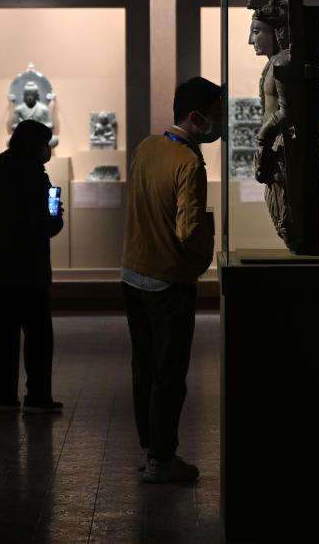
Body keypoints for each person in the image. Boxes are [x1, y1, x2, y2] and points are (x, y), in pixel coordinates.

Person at [121, 76, 220, 483]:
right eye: (215, 116)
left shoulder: (147, 147)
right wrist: (206, 251)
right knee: (169, 374)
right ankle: (162, 459)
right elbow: (188, 229)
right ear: (196, 117)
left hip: (133, 273)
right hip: (168, 281)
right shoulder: (188, 162)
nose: (219, 124)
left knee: (144, 369)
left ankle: (150, 449)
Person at [0, 119, 65, 414]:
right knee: (38, 334)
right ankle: (38, 396)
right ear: (35, 145)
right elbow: (46, 225)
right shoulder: (34, 177)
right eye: (45, 144)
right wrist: (56, 214)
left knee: (3, 334)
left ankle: (3, 396)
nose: (48, 150)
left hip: (1, 266)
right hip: (30, 267)